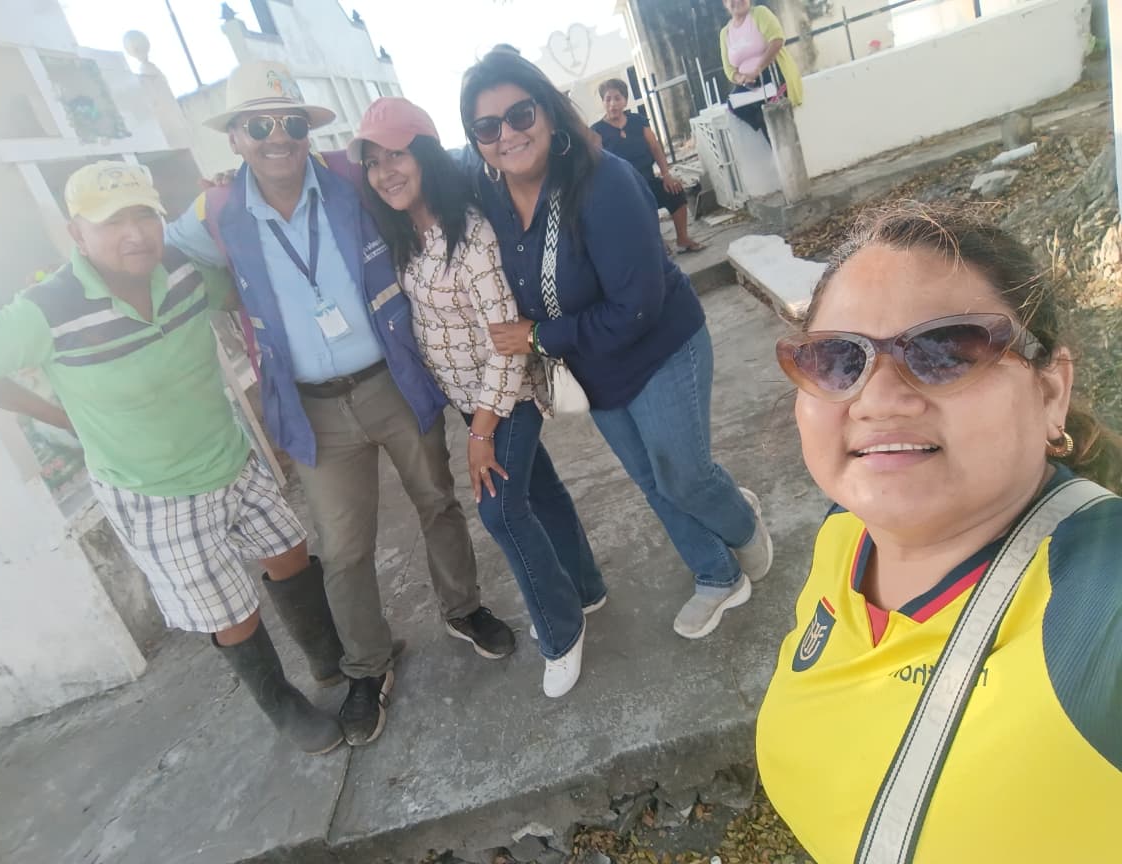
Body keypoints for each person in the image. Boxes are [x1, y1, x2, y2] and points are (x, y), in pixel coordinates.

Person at [165, 62, 515, 747]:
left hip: (391, 378)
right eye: (259, 125)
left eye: (291, 123)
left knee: (438, 501)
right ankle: (368, 665)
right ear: (234, 137)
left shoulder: (351, 176)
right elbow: (153, 250)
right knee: (345, 547)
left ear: (307, 131)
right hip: (312, 409)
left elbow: (429, 167)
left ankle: (463, 608)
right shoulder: (217, 211)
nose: (278, 136)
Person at [757, 203, 1122, 861]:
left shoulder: (1098, 609)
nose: (877, 399)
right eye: (838, 360)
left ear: (1051, 392)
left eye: (946, 351)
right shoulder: (845, 536)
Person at [0, 161, 345, 755]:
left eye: (144, 216)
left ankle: (329, 661)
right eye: (111, 222)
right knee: (230, 610)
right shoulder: (46, 309)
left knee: (289, 553)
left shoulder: (183, 268)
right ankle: (284, 707)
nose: (135, 234)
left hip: (229, 457)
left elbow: (243, 291)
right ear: (76, 233)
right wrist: (61, 417)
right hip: (153, 494)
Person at [460, 51, 773, 640]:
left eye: (520, 114)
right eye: (487, 126)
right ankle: (718, 574)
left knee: (684, 476)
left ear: (547, 111)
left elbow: (637, 306)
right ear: (475, 139)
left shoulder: (603, 181)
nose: (507, 134)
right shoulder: (490, 195)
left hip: (660, 349)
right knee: (652, 480)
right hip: (595, 370)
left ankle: (742, 523)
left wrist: (537, 337)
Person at [355, 97, 606, 697]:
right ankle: (586, 588)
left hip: (504, 396)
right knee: (539, 489)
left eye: (398, 155)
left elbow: (507, 345)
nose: (387, 172)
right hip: (469, 398)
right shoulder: (405, 233)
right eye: (373, 161)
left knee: (501, 511)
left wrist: (481, 432)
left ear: (425, 154)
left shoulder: (469, 235)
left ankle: (561, 631)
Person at [590, 79, 704, 254]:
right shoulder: (597, 131)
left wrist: (666, 175)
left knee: (675, 192)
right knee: (639, 206)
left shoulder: (638, 121)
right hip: (622, 188)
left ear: (625, 101)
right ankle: (657, 243)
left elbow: (655, 147)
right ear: (603, 102)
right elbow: (597, 164)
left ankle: (682, 239)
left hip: (648, 179)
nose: (612, 104)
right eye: (608, 99)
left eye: (617, 98)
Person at [719, 0, 803, 138]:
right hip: (748, 84)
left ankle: (776, 130)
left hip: (772, 73)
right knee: (734, 104)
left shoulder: (760, 13)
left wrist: (757, 71)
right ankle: (765, 123)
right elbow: (729, 69)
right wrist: (741, 78)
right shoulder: (725, 33)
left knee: (772, 107)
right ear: (725, 3)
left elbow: (777, 40)